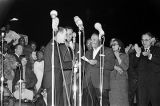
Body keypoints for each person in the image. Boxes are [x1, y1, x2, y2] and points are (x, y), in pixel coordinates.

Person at [83, 33, 115, 106]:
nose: (92, 41)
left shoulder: (108, 50)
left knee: (103, 104)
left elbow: (111, 65)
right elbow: (85, 66)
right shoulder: (88, 52)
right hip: (88, 83)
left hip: (101, 83)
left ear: (100, 40)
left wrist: (97, 63)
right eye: (91, 39)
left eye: (94, 39)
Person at [133, 32, 160, 106]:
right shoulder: (138, 50)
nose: (144, 42)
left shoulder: (157, 50)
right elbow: (134, 65)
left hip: (155, 86)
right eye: (142, 40)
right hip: (142, 86)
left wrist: (150, 56)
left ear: (151, 40)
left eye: (146, 40)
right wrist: (138, 54)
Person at [43, 27, 67, 106]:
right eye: (65, 35)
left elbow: (60, 63)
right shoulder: (51, 46)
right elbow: (59, 64)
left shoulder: (55, 46)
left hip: (56, 80)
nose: (66, 37)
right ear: (59, 34)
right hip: (53, 81)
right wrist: (73, 63)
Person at [109, 38, 129, 106]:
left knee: (122, 101)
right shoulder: (110, 56)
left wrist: (118, 57)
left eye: (115, 44)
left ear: (119, 46)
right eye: (112, 45)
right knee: (113, 102)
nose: (113, 46)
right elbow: (107, 66)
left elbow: (125, 67)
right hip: (112, 83)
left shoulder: (124, 55)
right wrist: (115, 67)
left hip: (121, 83)